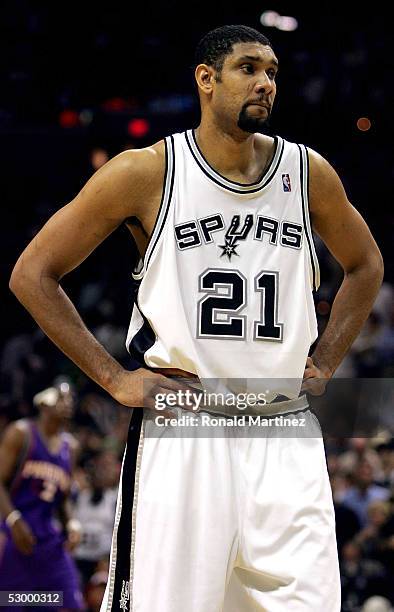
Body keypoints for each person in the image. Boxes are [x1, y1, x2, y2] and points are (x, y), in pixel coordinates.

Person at [9, 24, 384, 611]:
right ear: (206, 80)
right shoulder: (147, 171)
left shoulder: (309, 174)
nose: (266, 83)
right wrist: (113, 379)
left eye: (273, 73)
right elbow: (32, 274)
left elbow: (366, 265)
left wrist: (330, 358)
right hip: (188, 425)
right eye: (249, 68)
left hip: (284, 428)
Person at [0, 384, 84, 610]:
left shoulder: (72, 446)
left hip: (49, 539)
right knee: (10, 603)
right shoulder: (21, 433)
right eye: (61, 398)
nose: (68, 403)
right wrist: (13, 520)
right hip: (14, 534)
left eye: (70, 399)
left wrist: (72, 522)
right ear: (44, 404)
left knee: (68, 603)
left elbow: (64, 496)